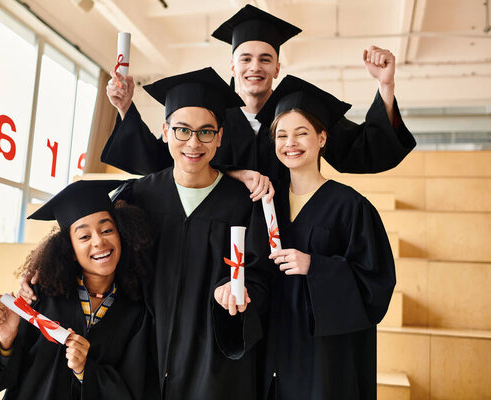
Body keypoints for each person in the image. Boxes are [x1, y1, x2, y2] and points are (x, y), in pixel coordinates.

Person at [23, 67, 272, 400]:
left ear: (220, 137)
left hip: (213, 360)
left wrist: (238, 292)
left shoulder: (242, 202)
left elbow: (260, 277)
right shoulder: (138, 196)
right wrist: (38, 272)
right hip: (142, 352)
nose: (193, 143)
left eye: (206, 132)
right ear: (166, 131)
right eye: (182, 130)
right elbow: (93, 242)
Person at [101, 4, 415, 196]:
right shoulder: (209, 113)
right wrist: (125, 107)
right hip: (219, 234)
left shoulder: (298, 111)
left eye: (266, 59)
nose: (255, 67)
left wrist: (385, 86)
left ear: (277, 67)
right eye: (246, 58)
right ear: (232, 66)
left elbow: (360, 152)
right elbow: (159, 161)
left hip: (286, 234)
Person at [256, 75, 396, 400]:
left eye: (301, 133)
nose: (290, 143)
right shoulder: (267, 203)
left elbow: (376, 282)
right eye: (282, 135)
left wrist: (315, 266)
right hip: (274, 344)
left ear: (321, 138)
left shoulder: (351, 206)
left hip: (325, 355)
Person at [0, 180, 155, 400]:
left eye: (107, 229)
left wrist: (85, 371)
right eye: (84, 236)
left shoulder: (136, 311)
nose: (99, 241)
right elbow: (4, 378)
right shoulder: (41, 295)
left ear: (122, 234)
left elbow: (133, 387)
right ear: (70, 250)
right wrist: (7, 338)